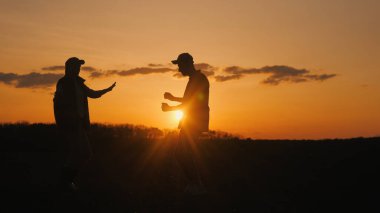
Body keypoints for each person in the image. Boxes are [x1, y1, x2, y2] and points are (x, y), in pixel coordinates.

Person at [53, 57, 116, 191]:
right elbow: (57, 103)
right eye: (76, 66)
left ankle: (66, 180)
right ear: (69, 67)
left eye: (79, 67)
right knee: (80, 153)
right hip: (70, 125)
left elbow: (92, 94)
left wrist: (107, 90)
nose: (78, 69)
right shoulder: (63, 83)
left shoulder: (79, 83)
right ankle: (66, 182)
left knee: (85, 154)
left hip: (80, 125)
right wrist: (62, 122)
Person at [162, 53, 210, 195]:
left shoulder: (198, 79)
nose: (179, 69)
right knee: (183, 153)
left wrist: (170, 108)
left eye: (180, 66)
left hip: (194, 122)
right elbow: (189, 99)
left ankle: (197, 184)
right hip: (191, 121)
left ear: (187, 64)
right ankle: (195, 184)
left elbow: (192, 103)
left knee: (182, 153)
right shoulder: (195, 79)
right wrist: (172, 98)